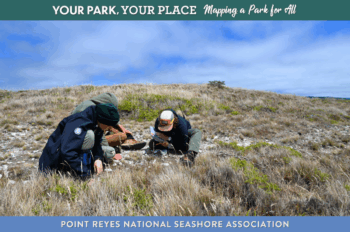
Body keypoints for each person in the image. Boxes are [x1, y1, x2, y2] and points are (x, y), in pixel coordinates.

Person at [39, 103, 120, 178]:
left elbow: (97, 143)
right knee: (89, 135)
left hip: (72, 155)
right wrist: (86, 175)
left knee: (109, 152)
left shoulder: (96, 120)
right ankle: (76, 170)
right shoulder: (79, 122)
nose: (110, 129)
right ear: (103, 121)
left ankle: (85, 166)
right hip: (54, 162)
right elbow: (67, 152)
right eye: (109, 126)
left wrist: (97, 158)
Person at [71, 92, 146, 160]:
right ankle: (125, 140)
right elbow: (96, 135)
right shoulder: (88, 110)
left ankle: (127, 140)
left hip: (88, 137)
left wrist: (121, 127)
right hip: (84, 141)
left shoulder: (93, 106)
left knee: (115, 131)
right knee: (118, 139)